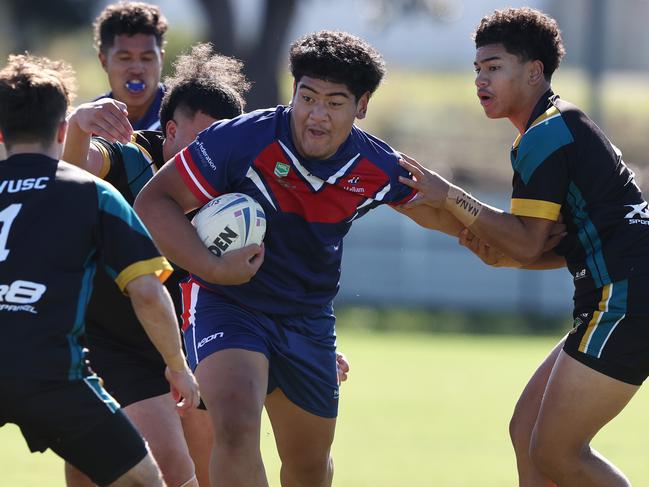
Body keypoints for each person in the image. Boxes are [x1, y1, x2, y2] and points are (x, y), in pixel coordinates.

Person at [135, 30, 462, 487]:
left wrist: (500, 234)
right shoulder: (243, 139)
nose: (316, 114)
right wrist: (213, 269)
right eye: (306, 97)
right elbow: (153, 203)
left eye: (333, 102)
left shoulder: (376, 165)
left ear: (361, 105)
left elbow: (451, 219)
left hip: (307, 320)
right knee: (234, 426)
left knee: (309, 466)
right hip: (229, 303)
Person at [398, 7, 649, 486]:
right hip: (622, 291)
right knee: (527, 432)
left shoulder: (546, 133)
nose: (480, 80)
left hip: (627, 299)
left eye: (493, 67)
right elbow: (559, 245)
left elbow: (529, 242)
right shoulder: (554, 126)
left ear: (534, 71)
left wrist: (449, 194)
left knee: (557, 452)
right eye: (477, 69)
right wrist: (508, 252)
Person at [0, 53, 199, 486]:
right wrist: (178, 367)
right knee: (148, 480)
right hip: (54, 375)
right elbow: (147, 291)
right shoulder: (93, 193)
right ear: (60, 130)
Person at [63, 43, 251, 487]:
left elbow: (271, 270)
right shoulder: (130, 156)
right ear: (168, 131)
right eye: (204, 139)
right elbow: (73, 173)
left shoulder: (238, 187)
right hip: (119, 342)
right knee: (164, 472)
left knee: (212, 475)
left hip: (195, 341)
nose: (215, 155)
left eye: (225, 142)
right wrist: (77, 127)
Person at [93, 1, 167, 131]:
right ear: (103, 61)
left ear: (160, 60)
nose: (137, 69)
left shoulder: (188, 114)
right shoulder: (89, 123)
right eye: (125, 58)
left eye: (147, 58)